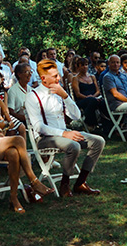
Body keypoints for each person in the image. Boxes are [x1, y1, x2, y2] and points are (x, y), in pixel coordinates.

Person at [0, 66, 53, 213]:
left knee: (13, 153)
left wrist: (1, 124)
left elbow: (10, 123)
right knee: (18, 139)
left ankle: (13, 198)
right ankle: (34, 181)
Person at [27, 59, 106, 198]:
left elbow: (76, 116)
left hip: (64, 134)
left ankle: (81, 182)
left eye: (58, 75)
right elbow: (39, 127)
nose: (59, 78)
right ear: (43, 78)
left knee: (98, 141)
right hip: (45, 139)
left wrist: (65, 96)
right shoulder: (33, 96)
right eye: (55, 76)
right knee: (73, 146)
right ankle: (65, 184)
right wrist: (64, 134)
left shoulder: (59, 92)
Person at [69, 56, 103, 129]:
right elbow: (78, 94)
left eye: (86, 65)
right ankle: (90, 123)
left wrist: (93, 96)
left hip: (94, 97)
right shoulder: (75, 79)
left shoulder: (92, 77)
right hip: (82, 99)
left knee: (103, 102)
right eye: (82, 65)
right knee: (92, 101)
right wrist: (88, 97)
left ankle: (106, 126)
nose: (85, 67)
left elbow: (98, 91)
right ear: (78, 67)